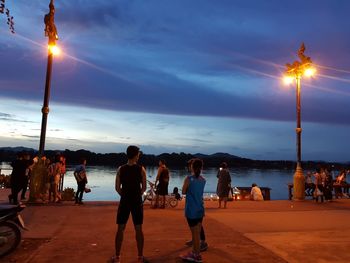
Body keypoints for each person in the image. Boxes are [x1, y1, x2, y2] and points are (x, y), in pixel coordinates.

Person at [113, 146, 147, 263]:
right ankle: (140, 257)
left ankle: (117, 257)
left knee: (120, 229)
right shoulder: (141, 169)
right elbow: (144, 188)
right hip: (137, 201)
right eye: (138, 154)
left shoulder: (120, 169)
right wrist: (136, 194)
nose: (139, 156)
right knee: (138, 229)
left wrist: (125, 195)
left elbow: (117, 188)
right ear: (136, 155)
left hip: (125, 201)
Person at [180, 158, 206, 263]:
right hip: (200, 209)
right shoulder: (203, 180)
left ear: (192, 167)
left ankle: (196, 255)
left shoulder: (188, 179)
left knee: (195, 234)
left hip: (191, 210)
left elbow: (183, 191)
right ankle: (196, 253)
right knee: (197, 232)